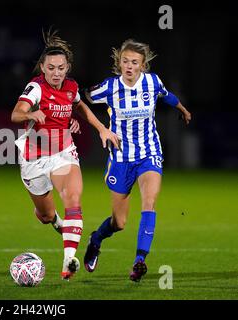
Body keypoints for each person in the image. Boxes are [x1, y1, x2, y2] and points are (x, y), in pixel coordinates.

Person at [11, 30, 119, 280]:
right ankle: (59, 224)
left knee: (73, 198)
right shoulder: (35, 87)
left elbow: (78, 105)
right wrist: (30, 115)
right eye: (51, 68)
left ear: (67, 67)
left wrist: (102, 128)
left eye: (61, 67)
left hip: (63, 153)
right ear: (42, 68)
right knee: (46, 215)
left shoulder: (71, 87)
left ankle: (68, 261)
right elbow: (16, 114)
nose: (56, 73)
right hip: (34, 158)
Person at [82, 39, 192, 282]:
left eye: (134, 62)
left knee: (149, 203)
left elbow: (167, 96)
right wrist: (98, 127)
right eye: (125, 61)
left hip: (149, 153)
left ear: (143, 65)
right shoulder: (109, 87)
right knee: (118, 222)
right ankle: (96, 239)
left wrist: (183, 109)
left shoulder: (152, 82)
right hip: (121, 158)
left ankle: (139, 261)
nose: (129, 66)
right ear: (118, 62)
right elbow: (80, 99)